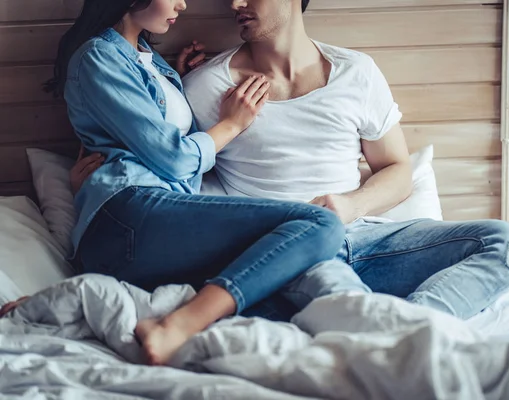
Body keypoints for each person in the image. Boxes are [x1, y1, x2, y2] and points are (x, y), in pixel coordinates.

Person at [69, 0, 509, 322]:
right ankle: (383, 334)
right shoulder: (206, 87)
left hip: (369, 238)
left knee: (505, 242)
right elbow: (167, 153)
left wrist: (351, 206)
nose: (233, 5)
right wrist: (100, 168)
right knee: (341, 291)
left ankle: (419, 323)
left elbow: (398, 171)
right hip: (291, 250)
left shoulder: (357, 73)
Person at [27, 0, 347, 366]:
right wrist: (232, 123)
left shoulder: (147, 59)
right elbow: (175, 158)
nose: (182, 3)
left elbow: (152, 138)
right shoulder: (98, 56)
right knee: (319, 223)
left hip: (154, 221)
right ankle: (176, 326)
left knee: (271, 277)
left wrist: (176, 82)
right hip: (130, 213)